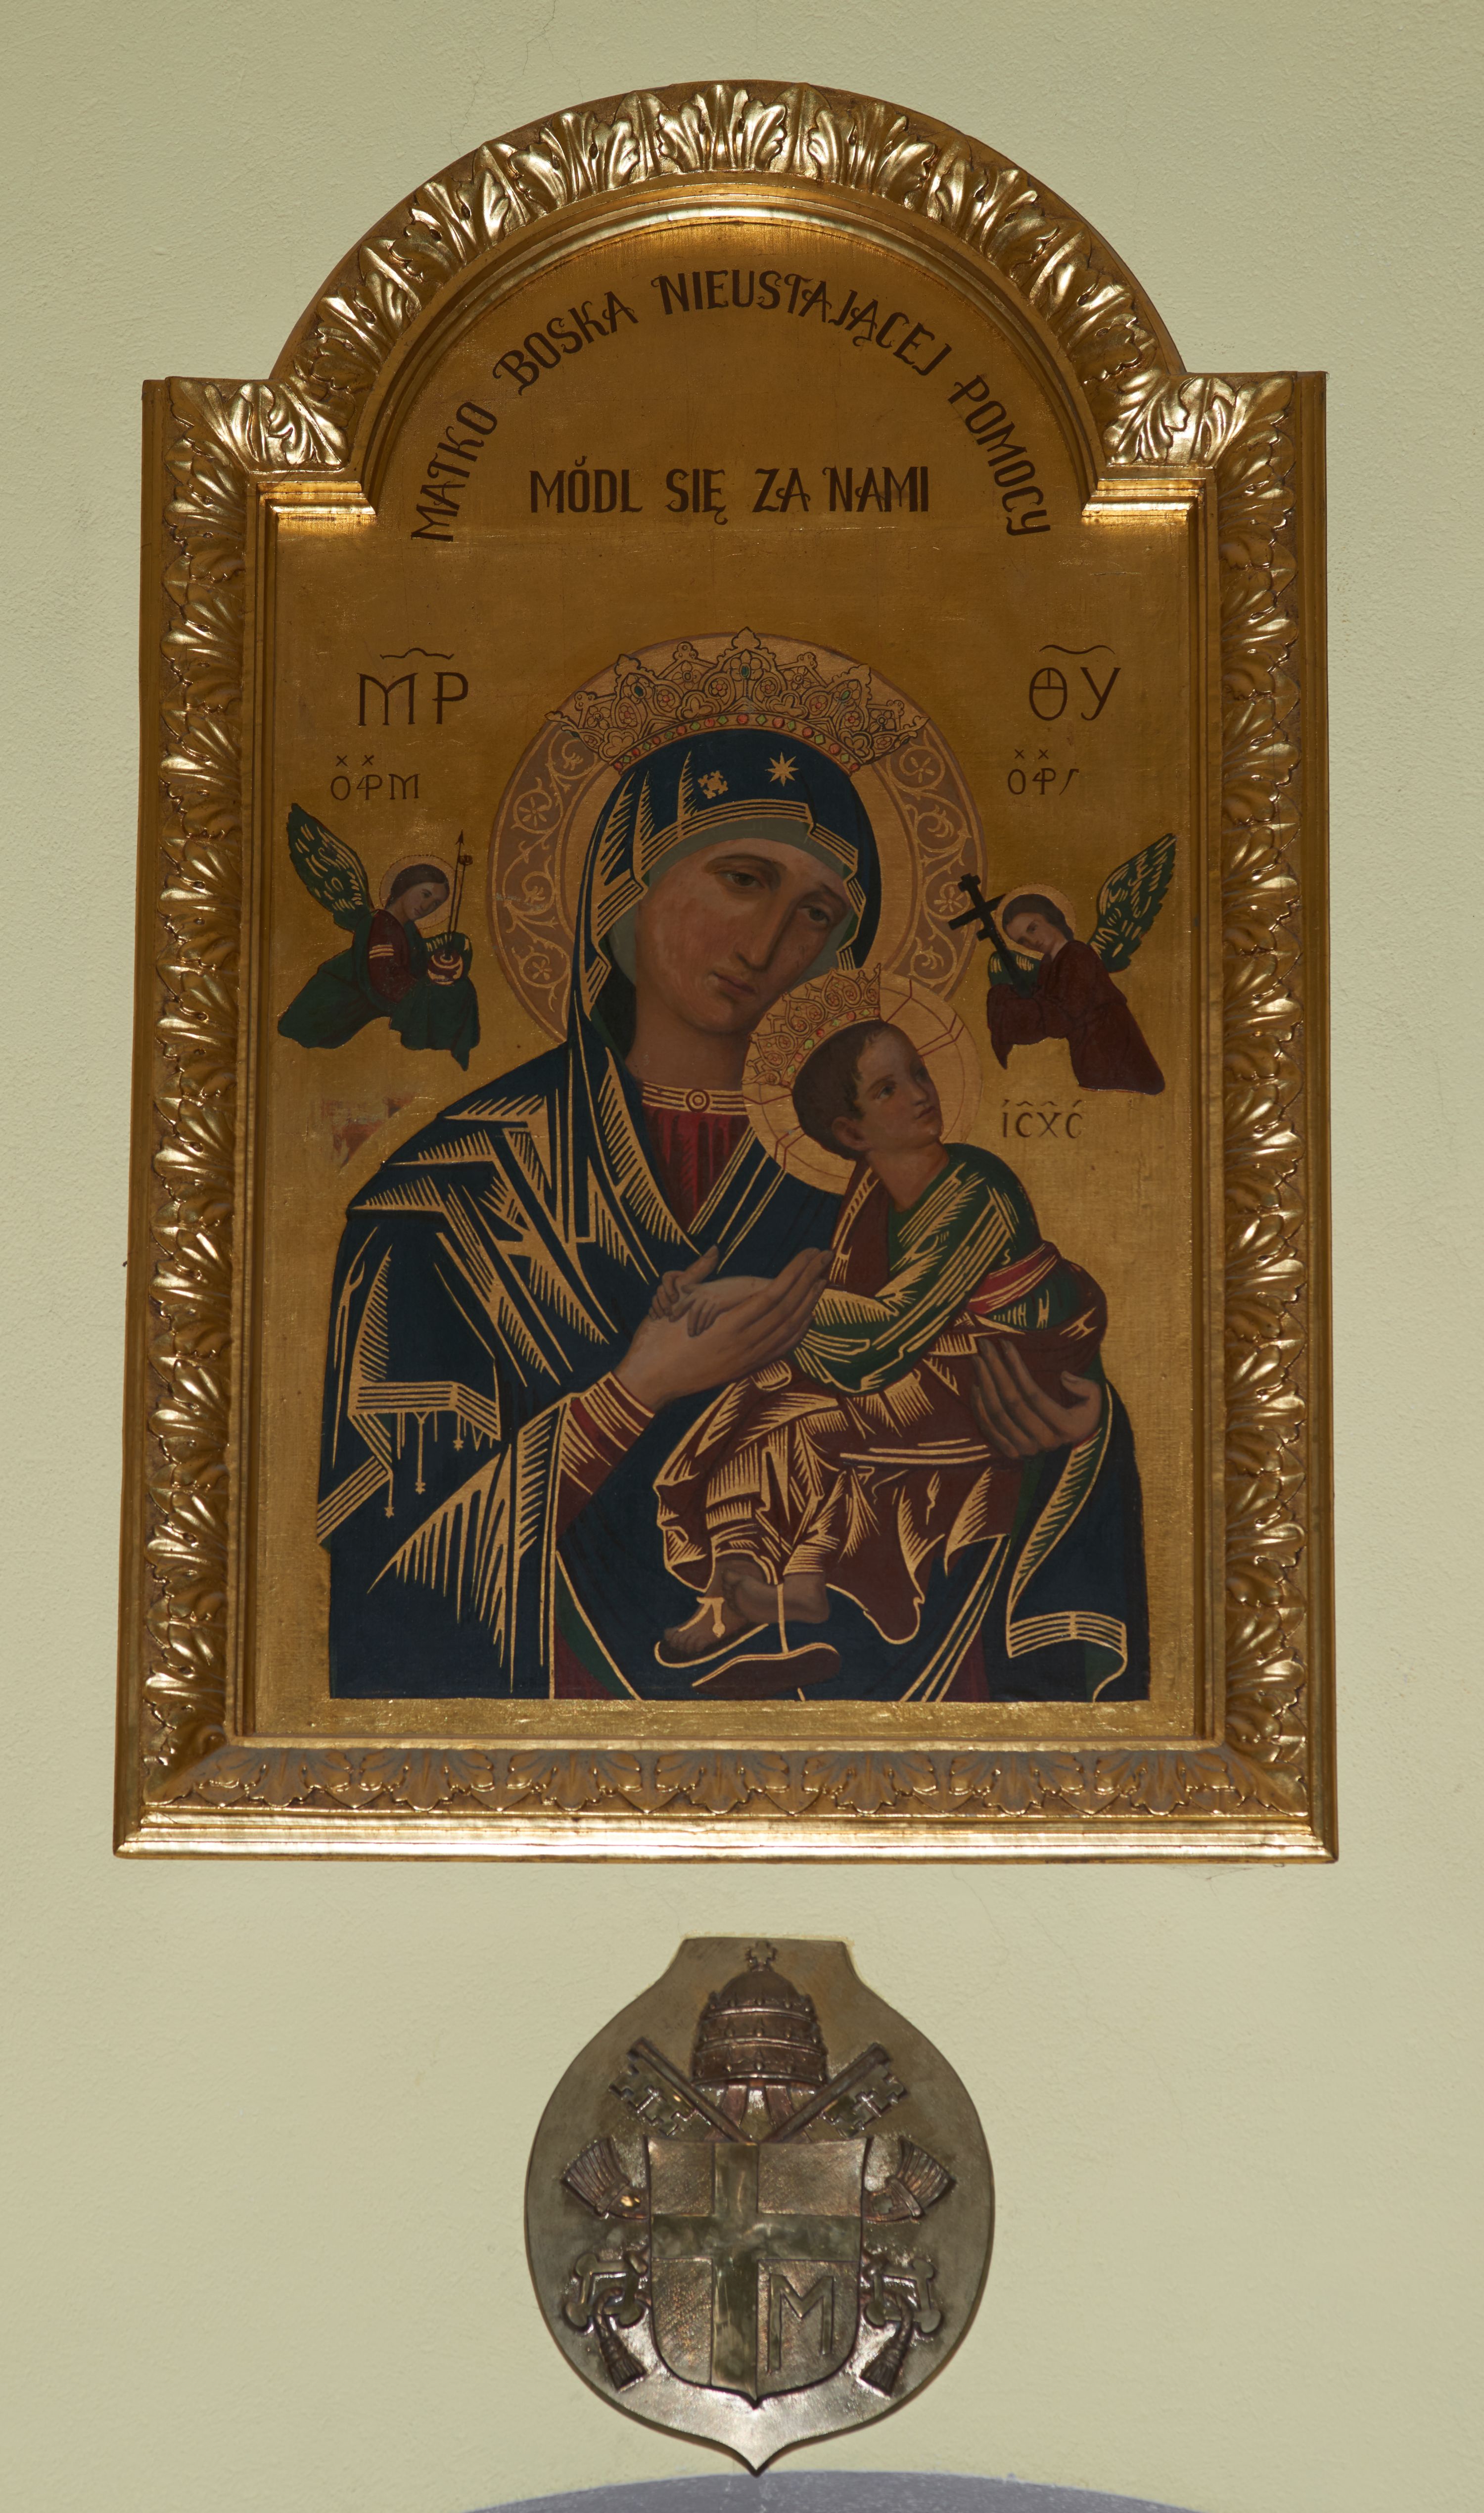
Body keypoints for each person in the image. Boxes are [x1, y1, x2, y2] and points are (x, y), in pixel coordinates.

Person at [649, 1018, 1139, 1702]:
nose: (918, 1093)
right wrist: (706, 1303)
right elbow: (856, 1308)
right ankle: (744, 1585)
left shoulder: (977, 1188)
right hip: (941, 1361)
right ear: (852, 1133)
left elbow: (885, 1336)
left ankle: (783, 1587)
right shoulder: (874, 1191)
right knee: (758, 1396)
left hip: (1004, 1371)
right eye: (888, 1088)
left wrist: (747, 1296)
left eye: (917, 1073)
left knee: (801, 1427)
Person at [278, 861, 480, 1067]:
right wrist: (429, 992)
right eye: (425, 894)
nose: (427, 907)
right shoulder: (380, 925)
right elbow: (386, 981)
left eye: (436, 904)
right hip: (325, 1013)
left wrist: (451, 945)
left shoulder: (407, 929)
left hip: (352, 1012)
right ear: (406, 886)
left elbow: (417, 961)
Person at [987, 893, 1163, 1093]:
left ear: (1049, 916)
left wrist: (1017, 1007)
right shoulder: (1047, 965)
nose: (1032, 941)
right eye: (1023, 941)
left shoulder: (1078, 954)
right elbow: (1045, 1003)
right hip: (1088, 1053)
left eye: (1033, 928)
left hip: (1114, 1049)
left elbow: (1062, 1016)